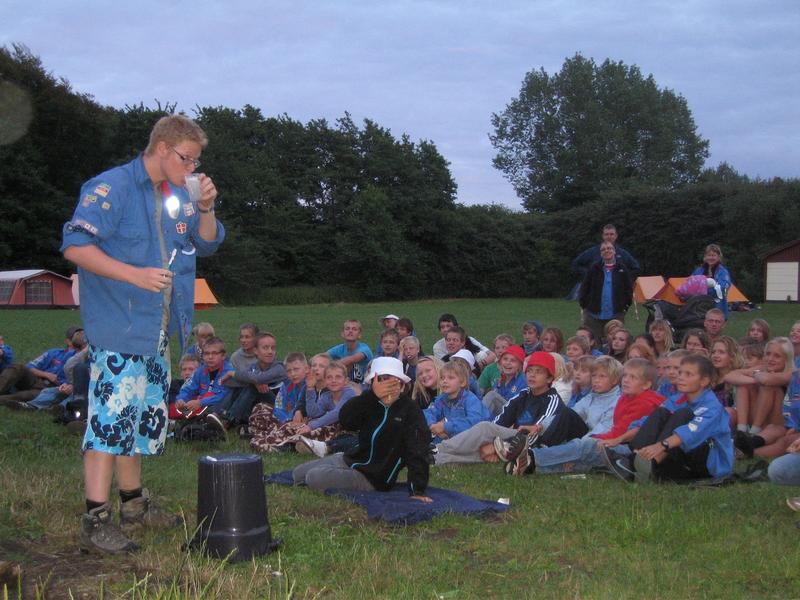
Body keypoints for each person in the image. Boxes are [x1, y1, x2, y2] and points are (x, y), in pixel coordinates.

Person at [61, 114, 224, 554]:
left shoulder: (177, 194)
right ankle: (94, 523)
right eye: (187, 159)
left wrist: (206, 207)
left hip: (157, 330)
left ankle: (134, 504)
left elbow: (207, 242)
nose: (193, 169)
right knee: (108, 425)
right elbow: (75, 244)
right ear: (163, 149)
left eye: (196, 161)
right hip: (119, 326)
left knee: (136, 423)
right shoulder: (112, 187)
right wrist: (132, 275)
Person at [292, 357, 432, 501]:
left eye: (391, 381)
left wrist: (417, 490)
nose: (386, 386)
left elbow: (418, 451)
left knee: (314, 477)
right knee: (297, 474)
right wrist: (372, 396)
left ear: (402, 385)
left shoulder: (410, 411)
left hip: (372, 478)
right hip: (351, 459)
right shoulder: (369, 401)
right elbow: (347, 420)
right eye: (381, 380)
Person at [518, 359, 663, 477]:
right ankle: (531, 461)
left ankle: (531, 457)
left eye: (633, 377)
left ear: (646, 384)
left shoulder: (637, 402)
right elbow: (572, 413)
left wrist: (589, 442)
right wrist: (540, 426)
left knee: (586, 448)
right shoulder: (611, 397)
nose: (626, 380)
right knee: (573, 427)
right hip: (605, 439)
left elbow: (618, 431)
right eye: (625, 376)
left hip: (625, 449)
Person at [432, 352, 576, 466]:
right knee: (481, 447)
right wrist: (493, 443)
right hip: (512, 439)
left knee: (484, 429)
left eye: (538, 372)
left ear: (550, 378)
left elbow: (535, 436)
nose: (532, 375)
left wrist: (499, 446)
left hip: (528, 445)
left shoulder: (552, 400)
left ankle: (438, 449)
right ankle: (436, 458)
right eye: (530, 371)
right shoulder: (523, 395)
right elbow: (499, 422)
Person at [496, 355, 623, 475]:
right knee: (565, 413)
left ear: (615, 380)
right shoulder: (591, 397)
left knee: (579, 446)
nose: (596, 380)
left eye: (602, 377)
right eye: (594, 376)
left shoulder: (617, 402)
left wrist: (572, 447)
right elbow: (568, 416)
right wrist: (539, 427)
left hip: (596, 442)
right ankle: (534, 453)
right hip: (582, 438)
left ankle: (530, 456)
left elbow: (600, 433)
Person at [625, 355, 734, 483]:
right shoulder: (677, 398)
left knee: (683, 414)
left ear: (704, 381)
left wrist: (660, 446)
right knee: (661, 412)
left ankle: (651, 465)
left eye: (688, 374)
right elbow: (648, 421)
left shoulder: (713, 406)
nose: (681, 377)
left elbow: (691, 432)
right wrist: (618, 439)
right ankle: (636, 460)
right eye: (680, 372)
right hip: (679, 455)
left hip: (708, 465)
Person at [209, 332, 288, 433]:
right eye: (265, 348)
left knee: (252, 386)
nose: (270, 351)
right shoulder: (253, 367)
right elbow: (230, 383)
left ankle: (228, 420)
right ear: (256, 351)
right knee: (244, 385)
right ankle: (218, 414)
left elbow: (260, 378)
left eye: (273, 348)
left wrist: (232, 373)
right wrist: (251, 380)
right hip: (257, 407)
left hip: (279, 408)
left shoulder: (279, 368)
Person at [0, 326, 80, 406]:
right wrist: (46, 374)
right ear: (68, 341)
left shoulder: (82, 359)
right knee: (18, 367)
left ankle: (4, 399)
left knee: (25, 396)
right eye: (77, 337)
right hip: (36, 380)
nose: (80, 339)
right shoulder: (53, 352)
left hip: (53, 389)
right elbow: (30, 366)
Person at [578, 241, 634, 347]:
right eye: (603, 249)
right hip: (594, 315)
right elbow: (585, 288)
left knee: (616, 344)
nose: (606, 251)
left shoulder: (622, 269)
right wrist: (584, 305)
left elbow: (628, 289)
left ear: (614, 251)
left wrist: (625, 306)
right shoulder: (594, 268)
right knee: (592, 344)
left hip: (615, 315)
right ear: (600, 253)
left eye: (609, 248)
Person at [424, 360, 490, 444]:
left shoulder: (470, 400)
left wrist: (445, 427)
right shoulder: (441, 399)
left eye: (450, 378)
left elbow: (474, 422)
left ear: (462, 382)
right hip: (451, 438)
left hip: (476, 439)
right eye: (442, 378)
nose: (445, 381)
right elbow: (428, 412)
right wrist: (432, 425)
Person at [174, 337, 235, 424]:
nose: (210, 357)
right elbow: (188, 388)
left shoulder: (228, 372)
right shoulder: (200, 371)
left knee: (213, 407)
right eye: (207, 353)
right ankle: (191, 419)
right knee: (181, 407)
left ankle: (208, 421)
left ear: (223, 356)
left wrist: (200, 402)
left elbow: (224, 396)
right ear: (202, 356)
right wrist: (181, 400)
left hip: (220, 408)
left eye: (214, 353)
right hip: (203, 405)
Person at [571, 224, 641, 284]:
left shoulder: (623, 253)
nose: (609, 237)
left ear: (616, 236)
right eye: (606, 234)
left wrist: (623, 278)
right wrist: (588, 274)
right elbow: (575, 264)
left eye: (611, 234)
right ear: (603, 236)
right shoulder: (592, 251)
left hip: (617, 290)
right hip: (596, 289)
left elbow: (636, 268)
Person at [481, 345, 527, 416]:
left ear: (520, 365)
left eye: (513, 360)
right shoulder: (500, 380)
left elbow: (518, 408)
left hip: (514, 418)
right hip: (497, 419)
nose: (508, 363)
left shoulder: (524, 381)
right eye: (505, 359)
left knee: (492, 396)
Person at [691, 244, 733, 319]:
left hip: (718, 307)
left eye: (713, 255)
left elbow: (723, 287)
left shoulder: (723, 272)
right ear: (705, 257)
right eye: (709, 255)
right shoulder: (699, 271)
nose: (711, 257)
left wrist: (705, 288)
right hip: (699, 308)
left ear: (719, 257)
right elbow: (690, 284)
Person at [327, 320, 373, 384]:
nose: (350, 331)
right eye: (347, 329)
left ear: (359, 335)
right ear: (342, 334)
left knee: (348, 364)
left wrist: (329, 366)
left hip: (365, 385)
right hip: (346, 383)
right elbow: (322, 356)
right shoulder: (340, 348)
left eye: (354, 329)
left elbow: (351, 360)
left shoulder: (365, 349)